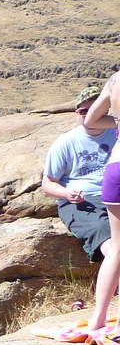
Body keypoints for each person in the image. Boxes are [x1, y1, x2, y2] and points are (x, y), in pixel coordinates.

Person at [41, 86, 116, 269]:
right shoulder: (64, 143)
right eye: (84, 111)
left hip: (115, 195)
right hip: (82, 201)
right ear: (77, 113)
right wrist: (67, 194)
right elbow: (48, 183)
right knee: (102, 230)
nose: (90, 115)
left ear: (105, 112)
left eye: (95, 110)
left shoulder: (117, 135)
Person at [81, 74, 120, 335]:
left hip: (115, 169)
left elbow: (91, 120)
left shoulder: (115, 80)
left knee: (117, 247)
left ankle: (98, 319)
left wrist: (116, 121)